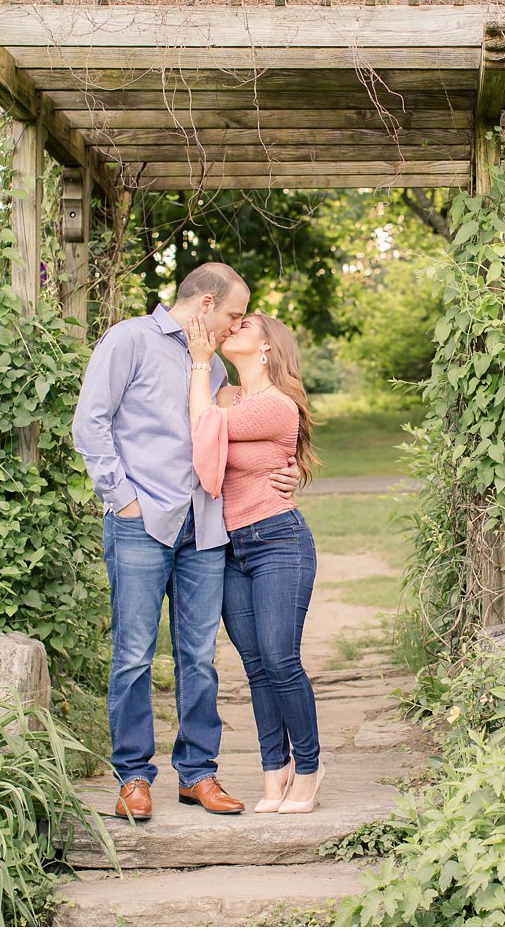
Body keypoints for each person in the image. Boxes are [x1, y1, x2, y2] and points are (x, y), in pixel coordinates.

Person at [72, 263, 298, 821]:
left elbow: (240, 432)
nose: (237, 325)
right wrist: (123, 499)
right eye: (234, 315)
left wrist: (287, 473)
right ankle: (133, 777)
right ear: (204, 305)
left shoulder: (215, 365)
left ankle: (197, 773)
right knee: (133, 654)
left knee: (199, 657)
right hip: (141, 524)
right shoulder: (128, 341)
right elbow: (90, 423)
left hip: (205, 527)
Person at [185, 310, 326, 814]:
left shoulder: (277, 405)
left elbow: (204, 429)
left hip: (276, 542)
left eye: (245, 326)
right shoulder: (231, 398)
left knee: (281, 660)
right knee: (256, 667)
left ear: (266, 347)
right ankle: (275, 770)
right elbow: (207, 433)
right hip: (230, 547)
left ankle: (308, 767)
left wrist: (201, 364)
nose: (233, 330)